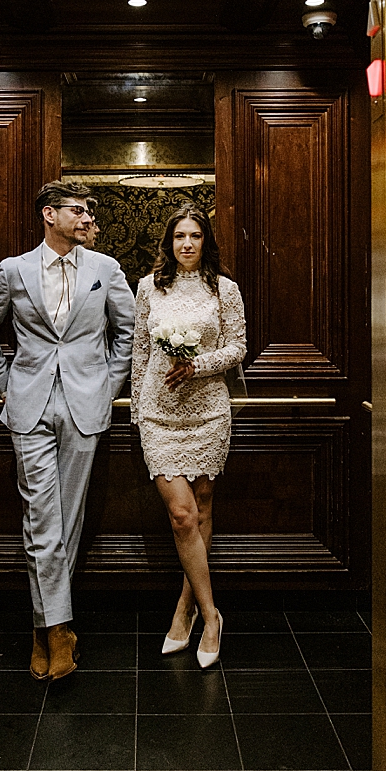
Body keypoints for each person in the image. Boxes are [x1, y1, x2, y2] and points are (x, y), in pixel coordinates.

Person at [0, 182, 136, 680]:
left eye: (88, 212)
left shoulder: (105, 270)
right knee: (41, 513)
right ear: (49, 214)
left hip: (86, 404)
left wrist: (108, 386)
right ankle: (58, 628)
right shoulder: (14, 270)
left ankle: (44, 627)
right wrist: (6, 384)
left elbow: (127, 332)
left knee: (68, 516)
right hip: (29, 402)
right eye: (78, 211)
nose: (87, 219)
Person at [131, 205, 247, 668]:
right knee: (181, 514)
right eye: (179, 236)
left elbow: (238, 346)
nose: (186, 244)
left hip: (209, 412)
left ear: (205, 241)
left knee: (201, 510)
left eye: (194, 236)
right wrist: (140, 412)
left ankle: (188, 609)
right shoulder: (148, 287)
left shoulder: (226, 289)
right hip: (160, 414)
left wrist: (196, 365)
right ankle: (212, 612)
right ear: (168, 241)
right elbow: (140, 352)